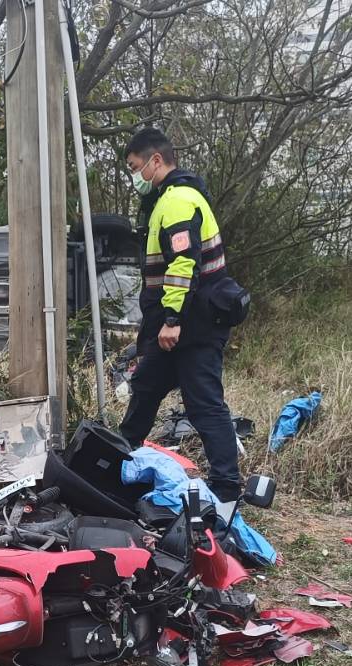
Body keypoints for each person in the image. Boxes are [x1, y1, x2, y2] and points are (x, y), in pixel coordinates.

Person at [116, 128, 243, 502]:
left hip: (191, 326)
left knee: (203, 403)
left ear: (156, 161)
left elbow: (182, 264)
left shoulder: (177, 202)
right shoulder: (171, 199)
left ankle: (225, 488)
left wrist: (172, 320)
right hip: (178, 325)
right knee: (145, 388)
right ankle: (120, 457)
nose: (135, 176)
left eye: (136, 167)